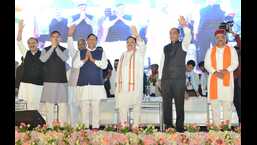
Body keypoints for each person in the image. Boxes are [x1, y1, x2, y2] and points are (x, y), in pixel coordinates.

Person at [158, 16, 192, 132]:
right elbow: (162, 62)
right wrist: (159, 78)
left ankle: (180, 128)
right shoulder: (165, 48)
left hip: (178, 79)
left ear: (178, 35)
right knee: (166, 104)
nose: (172, 35)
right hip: (166, 80)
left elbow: (188, 36)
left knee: (179, 104)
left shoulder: (183, 45)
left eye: (174, 33)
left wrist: (184, 26)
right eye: (170, 33)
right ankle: (168, 127)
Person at [204, 29, 238, 126]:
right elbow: (207, 64)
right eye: (218, 38)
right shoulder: (210, 50)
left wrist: (226, 70)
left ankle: (227, 131)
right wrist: (215, 72)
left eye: (222, 37)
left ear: (225, 38)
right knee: (215, 109)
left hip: (227, 83)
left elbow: (235, 63)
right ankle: (216, 131)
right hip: (214, 82)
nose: (220, 39)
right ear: (215, 39)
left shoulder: (231, 50)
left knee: (227, 107)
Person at [73, 33, 108, 129]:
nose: (92, 41)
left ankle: (96, 128)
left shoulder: (101, 52)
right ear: (87, 41)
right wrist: (85, 59)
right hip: (84, 85)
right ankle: (85, 129)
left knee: (96, 108)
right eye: (90, 39)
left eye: (94, 39)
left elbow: (104, 65)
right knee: (84, 108)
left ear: (96, 41)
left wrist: (93, 60)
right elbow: (75, 65)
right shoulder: (81, 52)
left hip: (96, 85)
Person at [115, 26, 146, 128]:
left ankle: (135, 126)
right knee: (123, 107)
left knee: (136, 107)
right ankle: (124, 126)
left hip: (135, 86)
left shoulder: (139, 53)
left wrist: (137, 35)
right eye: (128, 42)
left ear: (135, 43)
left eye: (132, 42)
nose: (129, 44)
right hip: (122, 87)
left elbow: (142, 46)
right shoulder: (122, 55)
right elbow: (119, 71)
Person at [40, 31, 69, 126]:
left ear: (60, 39)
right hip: (49, 81)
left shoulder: (64, 49)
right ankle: (50, 127)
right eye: (53, 37)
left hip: (62, 81)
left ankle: (62, 128)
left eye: (57, 37)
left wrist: (56, 48)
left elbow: (64, 58)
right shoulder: (45, 49)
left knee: (63, 105)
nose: (55, 38)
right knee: (49, 106)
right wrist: (52, 47)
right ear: (50, 38)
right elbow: (43, 59)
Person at [16, 20, 44, 110]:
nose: (32, 45)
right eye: (30, 43)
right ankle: (25, 124)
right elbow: (19, 41)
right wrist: (20, 29)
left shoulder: (44, 54)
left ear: (38, 44)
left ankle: (39, 124)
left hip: (38, 85)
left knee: (37, 108)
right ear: (28, 45)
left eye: (33, 43)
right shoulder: (26, 53)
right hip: (26, 85)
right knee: (25, 107)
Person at [66, 25, 86, 127]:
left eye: (83, 43)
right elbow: (70, 46)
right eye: (79, 44)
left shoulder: (90, 53)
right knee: (72, 104)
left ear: (86, 44)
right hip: (73, 84)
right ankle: (73, 127)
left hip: (84, 85)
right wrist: (70, 35)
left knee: (83, 106)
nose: (81, 45)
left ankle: (83, 127)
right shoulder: (75, 53)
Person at [231, 30, 241, 125]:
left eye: (237, 49)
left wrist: (235, 35)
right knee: (236, 102)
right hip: (233, 82)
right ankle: (240, 120)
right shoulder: (231, 58)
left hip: (239, 80)